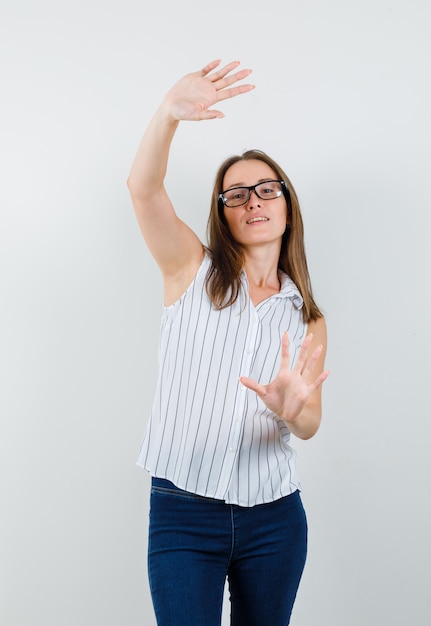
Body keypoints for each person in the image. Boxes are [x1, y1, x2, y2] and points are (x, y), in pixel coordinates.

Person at [127, 59, 330, 626]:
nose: (254, 201)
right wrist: (169, 112)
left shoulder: (308, 317)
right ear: (223, 215)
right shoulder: (188, 269)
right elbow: (143, 191)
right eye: (236, 195)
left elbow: (311, 423)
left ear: (288, 205)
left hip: (275, 518)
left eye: (267, 189)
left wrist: (294, 411)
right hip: (182, 509)